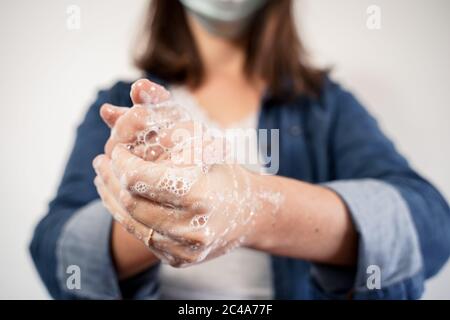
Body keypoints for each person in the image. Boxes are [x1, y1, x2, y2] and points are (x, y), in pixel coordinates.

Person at [30, 0, 450, 300]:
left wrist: (251, 208)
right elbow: (55, 252)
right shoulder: (123, 102)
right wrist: (170, 210)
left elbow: (428, 224)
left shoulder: (324, 105)